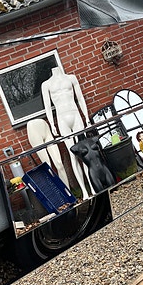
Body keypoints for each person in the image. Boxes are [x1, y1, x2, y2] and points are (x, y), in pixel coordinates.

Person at [41, 67, 93, 198]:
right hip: (62, 118)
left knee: (84, 152)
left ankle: (92, 187)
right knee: (72, 155)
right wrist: (52, 124)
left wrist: (86, 117)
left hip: (75, 114)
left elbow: (80, 98)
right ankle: (84, 191)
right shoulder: (46, 84)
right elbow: (47, 106)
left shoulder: (71, 78)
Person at [26, 118, 70, 188]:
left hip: (44, 125)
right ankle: (57, 191)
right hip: (33, 128)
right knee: (48, 166)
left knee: (59, 163)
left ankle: (67, 190)